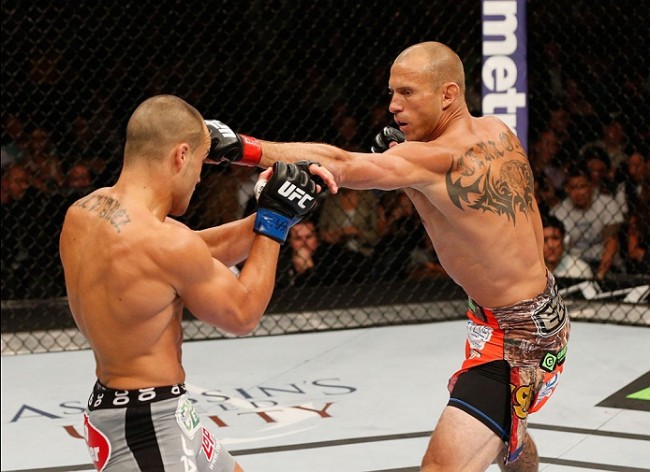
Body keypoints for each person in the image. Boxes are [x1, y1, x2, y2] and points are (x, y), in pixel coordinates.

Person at [206, 41, 570, 471]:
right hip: (524, 313)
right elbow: (453, 208)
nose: (394, 105)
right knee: (504, 428)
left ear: (448, 94)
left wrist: (242, 147)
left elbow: (340, 161)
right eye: (392, 93)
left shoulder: (435, 158)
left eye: (408, 93)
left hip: (517, 339)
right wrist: (405, 160)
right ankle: (511, 436)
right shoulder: (497, 130)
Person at [58, 95, 324, 472]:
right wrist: (276, 220)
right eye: (200, 163)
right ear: (181, 155)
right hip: (147, 425)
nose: (199, 178)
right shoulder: (165, 244)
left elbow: (194, 253)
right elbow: (243, 314)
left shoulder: (85, 212)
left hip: (143, 408)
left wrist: (277, 206)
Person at [551, 165, 624, 279]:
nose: (578, 193)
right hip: (571, 265)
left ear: (591, 186)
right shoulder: (559, 212)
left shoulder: (607, 204)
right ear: (567, 189)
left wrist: (600, 274)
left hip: (603, 262)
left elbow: (611, 242)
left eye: (582, 186)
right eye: (573, 188)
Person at [542, 213, 593, 279]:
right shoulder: (530, 270)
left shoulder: (581, 269)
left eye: (555, 238)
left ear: (564, 240)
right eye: (545, 240)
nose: (550, 245)